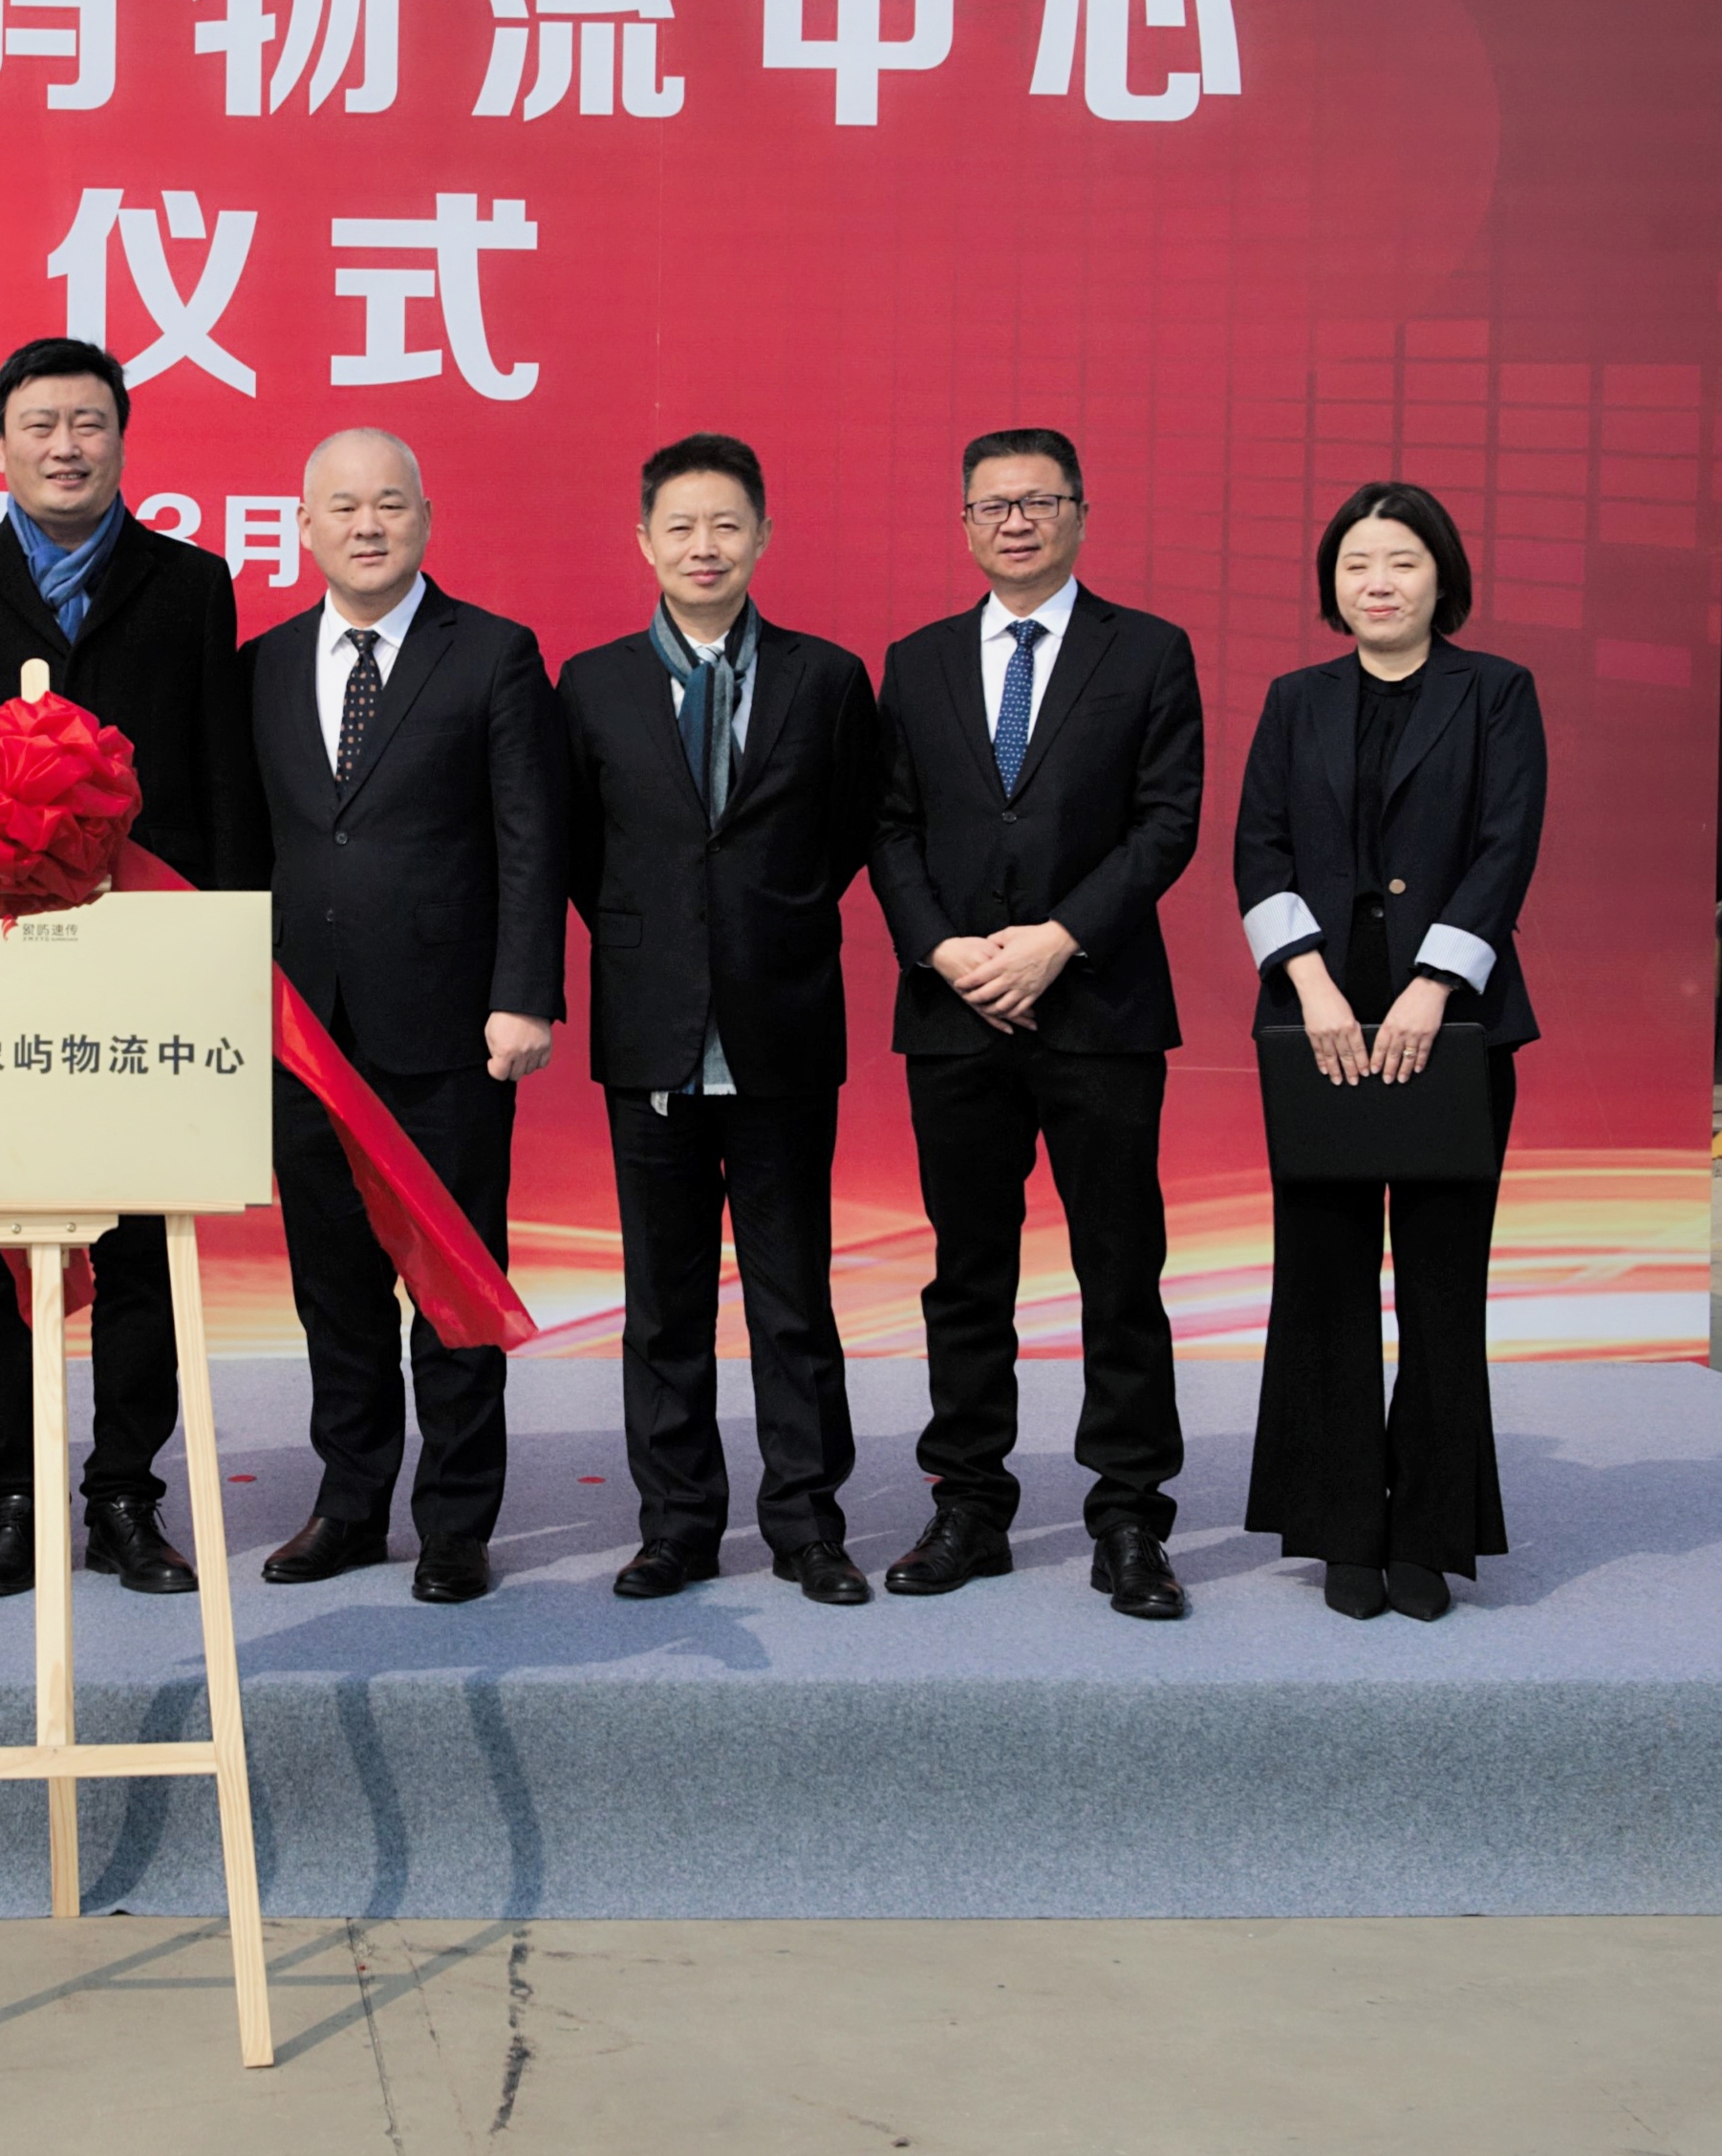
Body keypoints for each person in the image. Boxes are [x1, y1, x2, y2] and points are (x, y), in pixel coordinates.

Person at [0, 335, 269, 1599]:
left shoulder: (189, 582)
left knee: (143, 1237)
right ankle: (11, 1496)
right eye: (41, 424)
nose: (65, 446)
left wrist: (224, 942)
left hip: (142, 961)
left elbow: (219, 778)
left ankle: (121, 1495)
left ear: (121, 439)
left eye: (88, 423)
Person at [870, 427, 1204, 1621]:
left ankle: (1129, 1514)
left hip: (1097, 1004)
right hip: (954, 1011)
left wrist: (1059, 937)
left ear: (1078, 511)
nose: (1013, 521)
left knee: (1118, 1266)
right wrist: (941, 946)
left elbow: (1165, 821)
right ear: (963, 522)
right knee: (966, 1273)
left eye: (1037, 500)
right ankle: (968, 1501)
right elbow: (887, 827)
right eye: (990, 504)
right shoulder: (914, 662)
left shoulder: (1146, 649)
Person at [559, 433, 884, 1606]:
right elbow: (578, 848)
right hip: (648, 1026)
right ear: (644, 542)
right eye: (680, 527)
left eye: (725, 525)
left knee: (791, 1294)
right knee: (663, 1299)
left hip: (779, 1022)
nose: (703, 546)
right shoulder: (590, 684)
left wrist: (761, 924)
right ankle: (676, 1524)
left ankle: (805, 1522)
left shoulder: (825, 678)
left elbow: (847, 830)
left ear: (761, 537)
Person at [242, 429, 562, 1606]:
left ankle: (455, 1520)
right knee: (331, 1284)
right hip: (301, 1030)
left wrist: (523, 994)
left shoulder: (491, 653)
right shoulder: (264, 662)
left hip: (449, 1028)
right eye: (342, 506)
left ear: (424, 516)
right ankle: (347, 1501)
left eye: (388, 503)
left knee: (450, 1279)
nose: (366, 524)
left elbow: (530, 837)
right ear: (304, 526)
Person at [1236, 484, 1543, 1622]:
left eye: (1401, 560)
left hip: (1451, 1025)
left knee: (1439, 1277)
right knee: (1319, 1275)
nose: (1377, 580)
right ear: (1331, 582)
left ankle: (1427, 1529)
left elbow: (1505, 844)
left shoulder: (1494, 690)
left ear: (1439, 576)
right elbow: (1257, 850)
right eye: (1356, 561)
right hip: (1313, 1022)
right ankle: (1340, 1528)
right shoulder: (1293, 699)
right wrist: (1309, 985)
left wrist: (1430, 985)